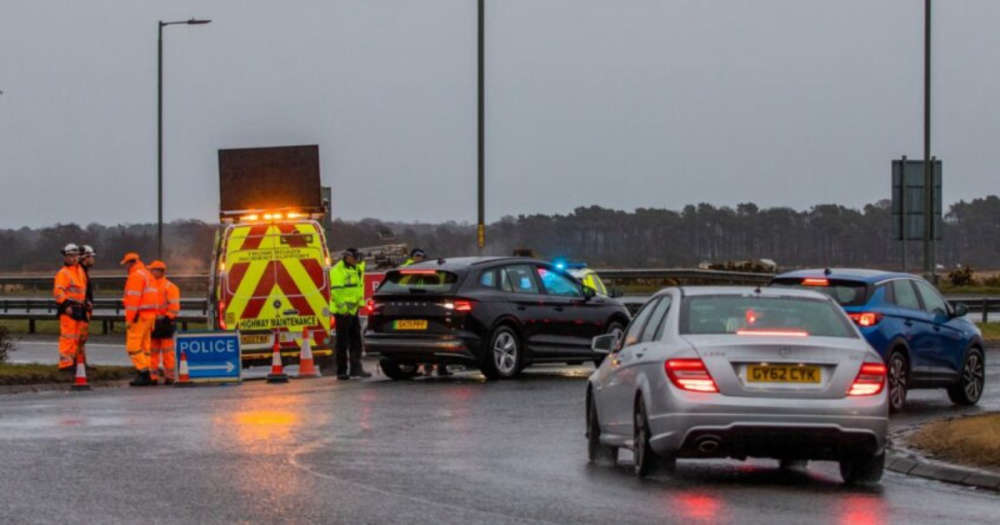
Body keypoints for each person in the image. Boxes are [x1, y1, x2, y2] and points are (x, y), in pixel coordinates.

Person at [400, 248, 451, 377]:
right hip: (409, 308)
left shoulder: (428, 268)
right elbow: (402, 284)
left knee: (433, 338)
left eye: (421, 256)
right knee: (410, 340)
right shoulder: (407, 268)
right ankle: (410, 366)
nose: (419, 258)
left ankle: (437, 366)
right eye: (417, 256)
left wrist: (443, 265)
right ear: (412, 257)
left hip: (425, 307)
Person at [329, 248, 371, 380]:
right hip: (343, 312)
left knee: (356, 342)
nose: (357, 260)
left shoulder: (356, 268)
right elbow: (336, 293)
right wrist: (343, 309)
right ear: (348, 258)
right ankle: (342, 371)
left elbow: (358, 285)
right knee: (342, 343)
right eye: (355, 257)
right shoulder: (337, 271)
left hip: (353, 310)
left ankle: (356, 369)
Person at [121, 252, 158, 386]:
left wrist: (130, 319)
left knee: (133, 347)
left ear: (131, 263)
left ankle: (143, 372)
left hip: (139, 316)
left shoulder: (135, 276)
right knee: (145, 347)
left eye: (126, 264)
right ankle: (148, 373)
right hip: (150, 316)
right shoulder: (147, 274)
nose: (125, 267)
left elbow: (133, 300)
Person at [53, 244, 87, 375]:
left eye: (75, 256)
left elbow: (81, 290)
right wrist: (66, 305)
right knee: (68, 337)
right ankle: (65, 363)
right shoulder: (64, 273)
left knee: (75, 338)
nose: (73, 258)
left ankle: (71, 362)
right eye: (70, 256)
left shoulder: (79, 271)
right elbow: (58, 292)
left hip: (79, 308)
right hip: (69, 309)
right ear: (66, 257)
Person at [148, 260, 180, 385]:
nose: (151, 272)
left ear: (160, 271)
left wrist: (169, 317)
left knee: (168, 352)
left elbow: (174, 305)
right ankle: (153, 376)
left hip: (165, 322)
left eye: (153, 270)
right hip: (153, 322)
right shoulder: (150, 285)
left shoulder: (169, 287)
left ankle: (169, 376)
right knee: (152, 351)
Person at [78, 245, 96, 365]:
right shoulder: (80, 272)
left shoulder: (83, 271)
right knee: (80, 338)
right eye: (91, 257)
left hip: (85, 308)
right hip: (82, 309)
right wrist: (86, 302)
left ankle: (82, 363)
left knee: (82, 338)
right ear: (85, 257)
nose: (93, 260)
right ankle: (79, 363)